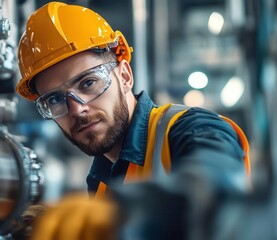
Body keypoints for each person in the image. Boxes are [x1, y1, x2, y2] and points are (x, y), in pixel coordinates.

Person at [15, 1, 251, 239]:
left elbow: (219, 184)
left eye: (88, 83)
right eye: (55, 99)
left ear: (125, 76)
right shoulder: (100, 183)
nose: (76, 109)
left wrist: (122, 213)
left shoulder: (191, 128)